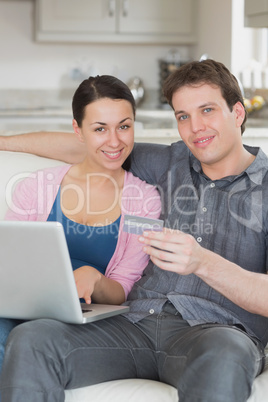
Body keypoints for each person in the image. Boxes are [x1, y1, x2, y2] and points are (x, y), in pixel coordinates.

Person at [1, 59, 268, 402]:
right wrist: (3, 142)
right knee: (33, 339)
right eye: (183, 116)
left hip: (215, 334)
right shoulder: (170, 162)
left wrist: (203, 263)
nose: (195, 127)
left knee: (226, 353)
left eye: (207, 110)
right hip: (135, 325)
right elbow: (92, 147)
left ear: (238, 113)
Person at [0, 76, 161, 379]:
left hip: (83, 316)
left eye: (124, 126)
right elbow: (8, 256)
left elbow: (123, 288)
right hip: (21, 304)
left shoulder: (146, 202)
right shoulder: (39, 186)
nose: (114, 141)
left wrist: (96, 280)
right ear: (78, 130)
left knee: (29, 339)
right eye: (100, 128)